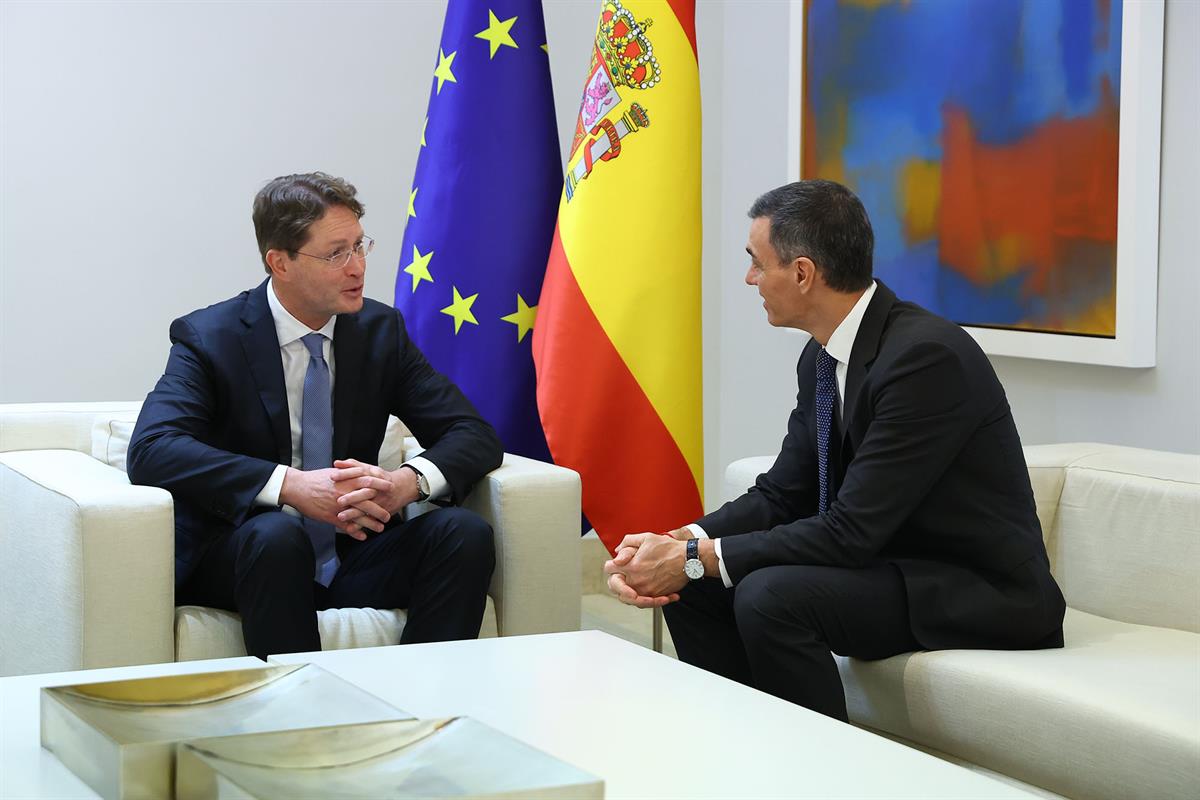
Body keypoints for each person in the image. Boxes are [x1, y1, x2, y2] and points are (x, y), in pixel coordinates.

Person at [605, 179, 1066, 721]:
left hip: (977, 589)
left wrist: (693, 561)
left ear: (802, 273)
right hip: (889, 565)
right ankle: (743, 751)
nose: (749, 278)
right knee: (703, 587)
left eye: (757, 262)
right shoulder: (823, 356)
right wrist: (684, 539)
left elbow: (851, 532)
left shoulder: (925, 359)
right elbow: (783, 493)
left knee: (768, 595)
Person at [128, 172, 502, 659]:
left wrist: (403, 485)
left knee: (464, 534)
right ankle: (301, 724)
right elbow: (153, 449)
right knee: (277, 534)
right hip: (251, 555)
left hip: (353, 552)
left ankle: (423, 708)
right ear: (279, 262)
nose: (357, 268)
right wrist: (291, 486)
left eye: (360, 246)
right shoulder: (211, 338)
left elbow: (471, 433)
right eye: (336, 254)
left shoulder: (378, 332)